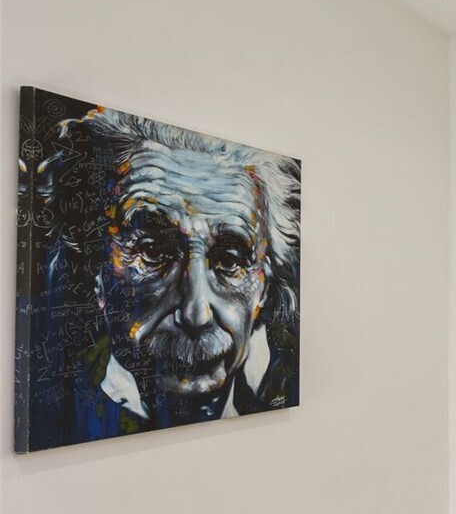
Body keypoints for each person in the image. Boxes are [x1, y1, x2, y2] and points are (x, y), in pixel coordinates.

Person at [17, 100, 301, 449]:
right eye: (152, 251)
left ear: (265, 289)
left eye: (229, 260)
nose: (196, 313)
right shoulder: (54, 422)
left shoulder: (271, 402)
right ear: (94, 270)